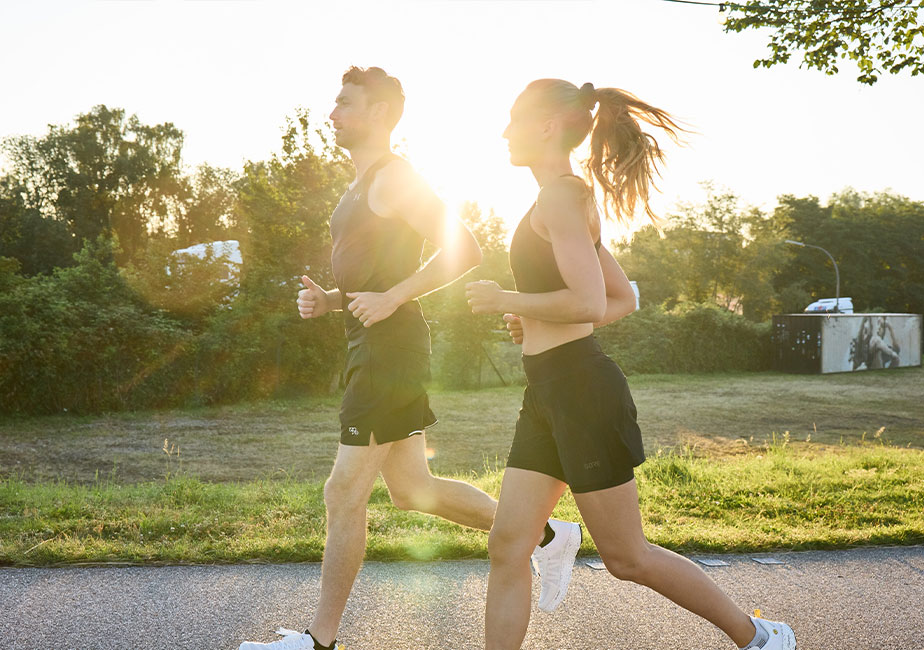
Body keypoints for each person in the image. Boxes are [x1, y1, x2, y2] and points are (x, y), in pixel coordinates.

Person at [239, 67, 581, 650]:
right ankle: (548, 536)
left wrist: (394, 296)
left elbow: (464, 247)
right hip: (371, 342)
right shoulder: (360, 183)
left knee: (342, 492)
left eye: (345, 104)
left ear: (381, 114)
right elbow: (380, 276)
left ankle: (318, 641)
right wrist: (333, 300)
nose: (332, 114)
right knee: (412, 490)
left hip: (389, 351)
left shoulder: (395, 178)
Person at [465, 79, 797, 650]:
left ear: (546, 125)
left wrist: (508, 301)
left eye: (514, 118)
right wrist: (539, 320)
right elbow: (620, 298)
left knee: (626, 557)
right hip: (547, 391)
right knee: (507, 545)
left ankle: (760, 637)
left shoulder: (562, 198)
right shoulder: (558, 198)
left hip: (582, 392)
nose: (504, 131)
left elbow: (592, 303)